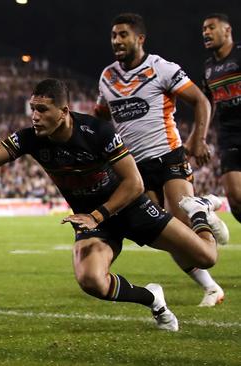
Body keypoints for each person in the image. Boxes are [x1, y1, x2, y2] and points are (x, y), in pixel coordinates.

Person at [0, 79, 220, 331]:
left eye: (42, 110)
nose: (34, 116)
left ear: (64, 111)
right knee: (91, 280)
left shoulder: (98, 132)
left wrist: (98, 214)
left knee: (207, 257)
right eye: (33, 109)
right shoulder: (30, 138)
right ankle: (151, 298)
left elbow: (134, 184)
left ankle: (198, 212)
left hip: (129, 207)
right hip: (93, 220)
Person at [94, 13, 226, 307]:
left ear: (139, 39)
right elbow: (101, 114)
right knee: (165, 232)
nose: (116, 40)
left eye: (123, 35)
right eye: (114, 35)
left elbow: (201, 101)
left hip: (168, 155)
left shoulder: (161, 68)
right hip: (135, 167)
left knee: (179, 219)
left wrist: (198, 138)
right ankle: (211, 287)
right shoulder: (107, 77)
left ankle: (200, 206)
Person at [201, 13, 241, 225]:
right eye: (204, 29)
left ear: (227, 30)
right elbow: (207, 104)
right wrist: (200, 137)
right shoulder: (208, 68)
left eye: (211, 27)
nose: (206, 32)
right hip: (229, 136)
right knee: (235, 199)